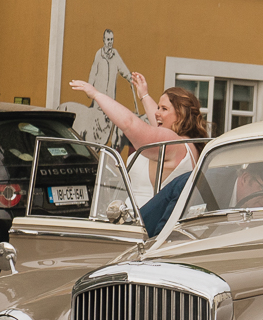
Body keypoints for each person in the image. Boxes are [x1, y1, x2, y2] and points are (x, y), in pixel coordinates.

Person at [67, 72, 207, 235]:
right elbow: (157, 124)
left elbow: (129, 124)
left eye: (164, 109)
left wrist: (96, 95)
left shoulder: (172, 142)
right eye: (158, 107)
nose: (157, 112)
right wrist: (144, 95)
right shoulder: (189, 145)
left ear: (180, 115)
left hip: (140, 229)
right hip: (140, 225)